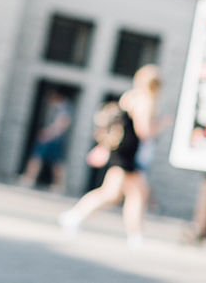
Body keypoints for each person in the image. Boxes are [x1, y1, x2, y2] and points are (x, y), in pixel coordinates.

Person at [58, 65, 170, 249]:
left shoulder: (130, 96)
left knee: (116, 194)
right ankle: (135, 236)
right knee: (133, 195)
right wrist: (163, 124)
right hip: (130, 154)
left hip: (122, 151)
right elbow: (144, 131)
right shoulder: (146, 100)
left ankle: (77, 217)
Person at [19, 90, 73, 192]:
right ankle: (57, 184)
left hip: (53, 138)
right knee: (54, 162)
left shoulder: (64, 108)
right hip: (54, 138)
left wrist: (49, 133)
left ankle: (29, 178)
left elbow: (63, 123)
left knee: (39, 158)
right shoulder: (62, 107)